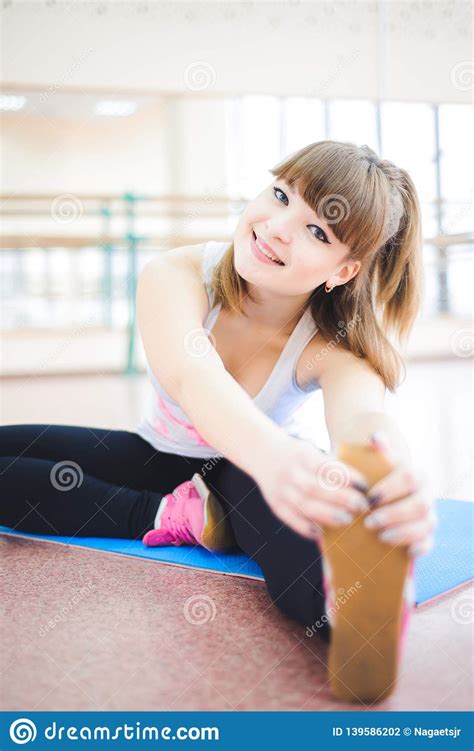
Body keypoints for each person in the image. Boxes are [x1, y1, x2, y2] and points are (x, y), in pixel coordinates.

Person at [0, 141, 437, 659]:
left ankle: (359, 610)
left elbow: (364, 416)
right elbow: (193, 375)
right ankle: (169, 513)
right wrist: (276, 457)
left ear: (343, 271)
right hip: (161, 454)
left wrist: (390, 474)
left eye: (317, 231)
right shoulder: (177, 275)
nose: (277, 226)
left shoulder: (332, 341)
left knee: (288, 524)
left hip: (247, 471)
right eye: (280, 196)